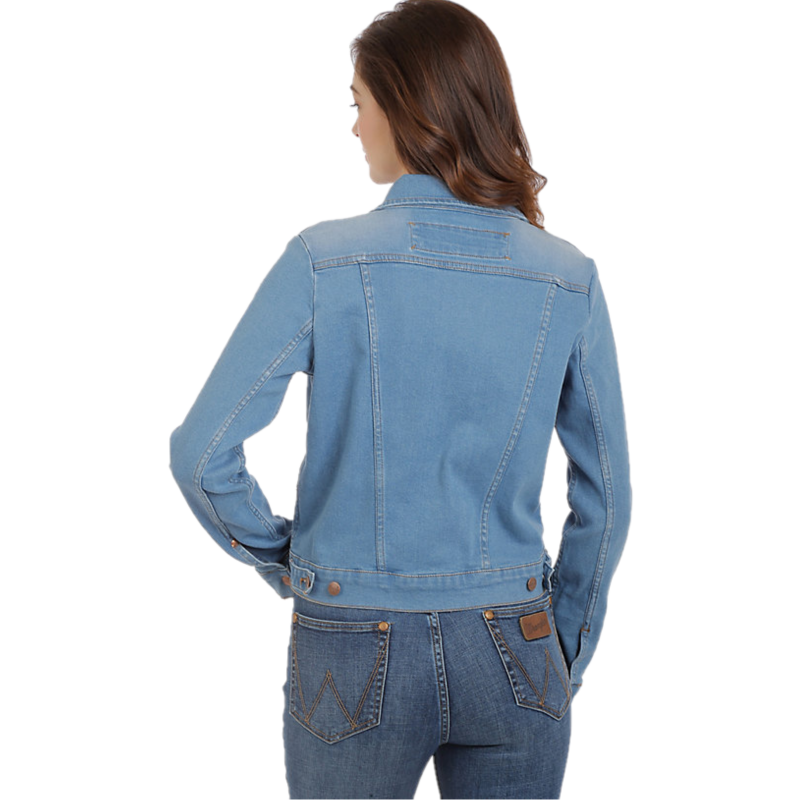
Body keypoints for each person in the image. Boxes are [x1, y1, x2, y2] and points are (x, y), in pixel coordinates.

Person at [168, 1, 632, 797]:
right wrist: (562, 647)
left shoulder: (324, 262)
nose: (354, 127)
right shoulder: (565, 277)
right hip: (515, 641)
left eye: (359, 102)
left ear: (405, 103)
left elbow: (202, 455)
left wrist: (289, 562)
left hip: (350, 635)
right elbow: (608, 497)